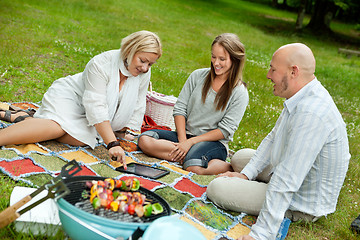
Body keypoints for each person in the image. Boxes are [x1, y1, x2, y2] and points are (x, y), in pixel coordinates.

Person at [206, 43, 351, 239]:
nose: (268, 75)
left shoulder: (312, 113)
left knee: (218, 188)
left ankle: (277, 214)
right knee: (240, 159)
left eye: (273, 69)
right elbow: (273, 138)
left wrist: (261, 234)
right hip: (293, 173)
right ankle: (249, 178)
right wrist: (246, 175)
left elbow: (288, 178)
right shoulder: (301, 95)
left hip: (301, 200)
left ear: (294, 72)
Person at [0, 30, 162, 169]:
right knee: (58, 128)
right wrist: (112, 143)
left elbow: (139, 102)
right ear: (130, 50)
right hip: (69, 98)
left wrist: (127, 130)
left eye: (150, 64)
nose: (145, 68)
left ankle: (24, 118)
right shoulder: (100, 64)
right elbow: (96, 107)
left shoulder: (143, 73)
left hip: (90, 111)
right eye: (142, 61)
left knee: (81, 140)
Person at [137, 33, 249, 175]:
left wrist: (190, 143)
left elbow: (224, 130)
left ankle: (228, 166)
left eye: (222, 59)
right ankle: (187, 156)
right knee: (145, 140)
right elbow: (180, 109)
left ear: (235, 60)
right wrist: (183, 140)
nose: (216, 63)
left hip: (213, 144)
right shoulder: (197, 76)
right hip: (185, 135)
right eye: (213, 57)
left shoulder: (239, 92)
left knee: (193, 167)